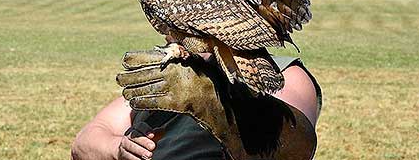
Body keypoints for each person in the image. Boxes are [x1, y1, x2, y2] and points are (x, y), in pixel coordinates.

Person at [71, 50, 321, 160]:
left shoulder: (280, 73)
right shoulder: (171, 74)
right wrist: (118, 148)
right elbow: (85, 141)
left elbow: (292, 149)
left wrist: (211, 99)